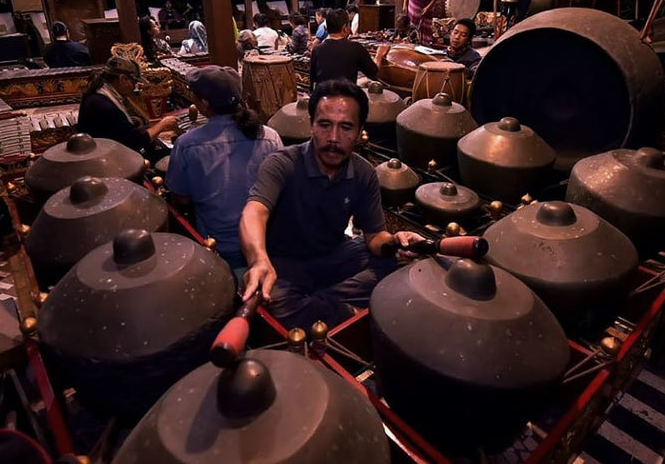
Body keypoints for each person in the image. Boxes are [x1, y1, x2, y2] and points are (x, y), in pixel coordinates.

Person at [238, 79, 424, 329]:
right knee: (272, 300)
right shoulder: (282, 163)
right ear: (312, 125)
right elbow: (254, 212)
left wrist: (396, 242)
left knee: (403, 265)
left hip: (334, 255)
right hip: (285, 264)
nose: (334, 138)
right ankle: (342, 309)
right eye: (325, 125)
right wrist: (258, 260)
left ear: (359, 131)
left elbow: (374, 237)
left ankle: (322, 306)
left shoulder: (363, 172)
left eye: (346, 127)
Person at [166, 66, 283, 269]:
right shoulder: (270, 136)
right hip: (266, 241)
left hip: (220, 248)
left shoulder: (187, 145)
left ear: (204, 104)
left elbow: (181, 198)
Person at [77, 56, 177, 152]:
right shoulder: (103, 106)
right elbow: (134, 142)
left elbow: (126, 131)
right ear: (123, 79)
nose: (134, 87)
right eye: (134, 82)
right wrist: (162, 125)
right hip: (109, 157)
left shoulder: (99, 94)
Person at [309, 9, 390, 88]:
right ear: (345, 28)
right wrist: (379, 55)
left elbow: (313, 78)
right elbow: (373, 73)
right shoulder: (356, 48)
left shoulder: (316, 50)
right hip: (346, 95)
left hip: (322, 95)